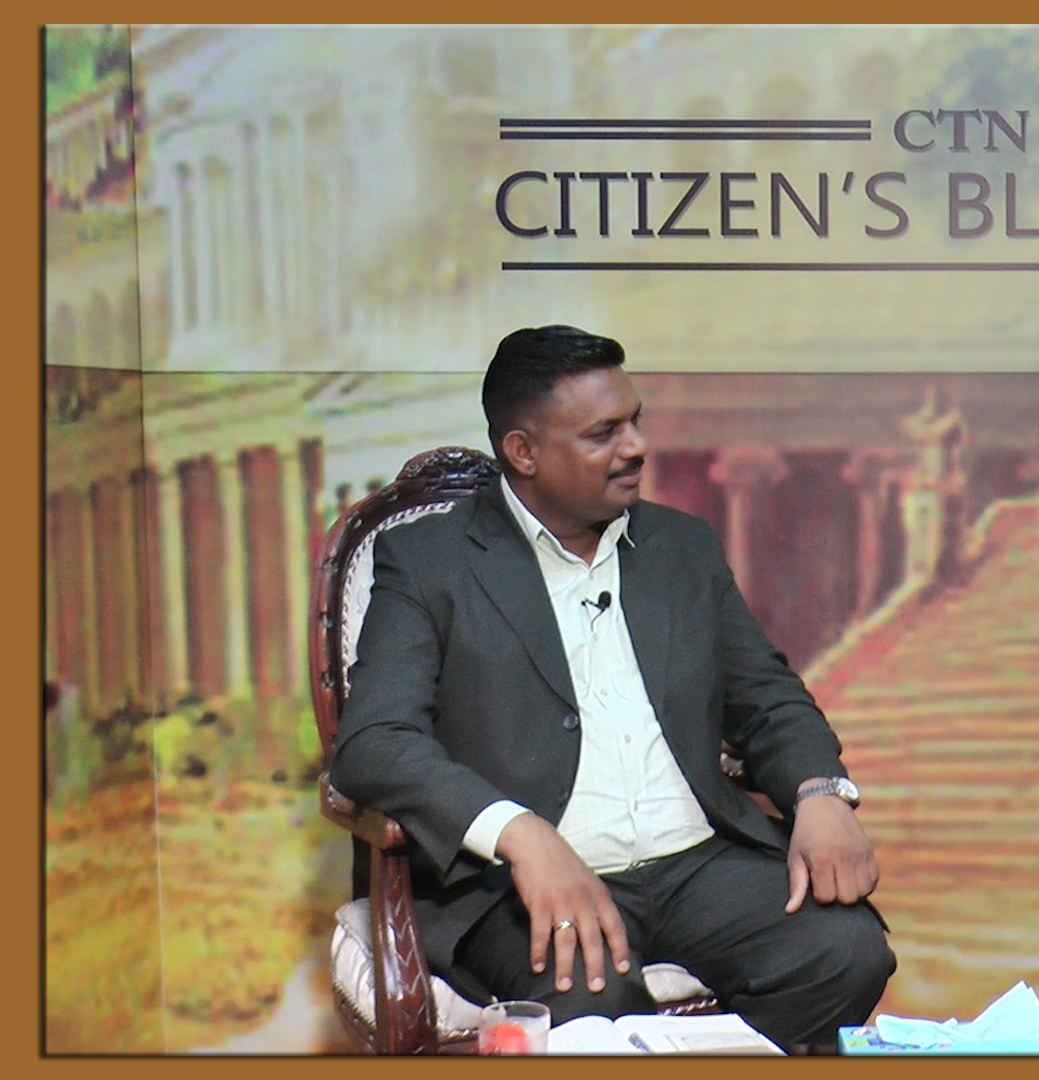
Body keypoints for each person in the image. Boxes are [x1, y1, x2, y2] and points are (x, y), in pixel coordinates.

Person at [329, 325, 893, 1048]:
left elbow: (768, 697)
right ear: (523, 451)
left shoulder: (681, 546)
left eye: (635, 421)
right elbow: (375, 742)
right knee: (593, 997)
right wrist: (519, 832)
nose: (636, 447)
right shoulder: (429, 560)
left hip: (698, 861)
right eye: (604, 433)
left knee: (845, 953)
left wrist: (820, 793)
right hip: (521, 884)